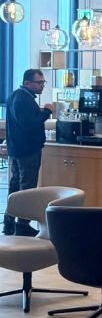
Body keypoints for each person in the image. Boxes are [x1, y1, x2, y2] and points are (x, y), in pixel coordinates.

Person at [3, 69, 55, 236]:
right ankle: (23, 224)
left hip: (17, 148)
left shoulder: (15, 96)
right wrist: (46, 112)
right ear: (27, 83)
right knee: (27, 187)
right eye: (39, 83)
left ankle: (10, 222)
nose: (42, 86)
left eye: (43, 83)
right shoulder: (23, 99)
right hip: (27, 150)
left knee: (16, 186)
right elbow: (30, 124)